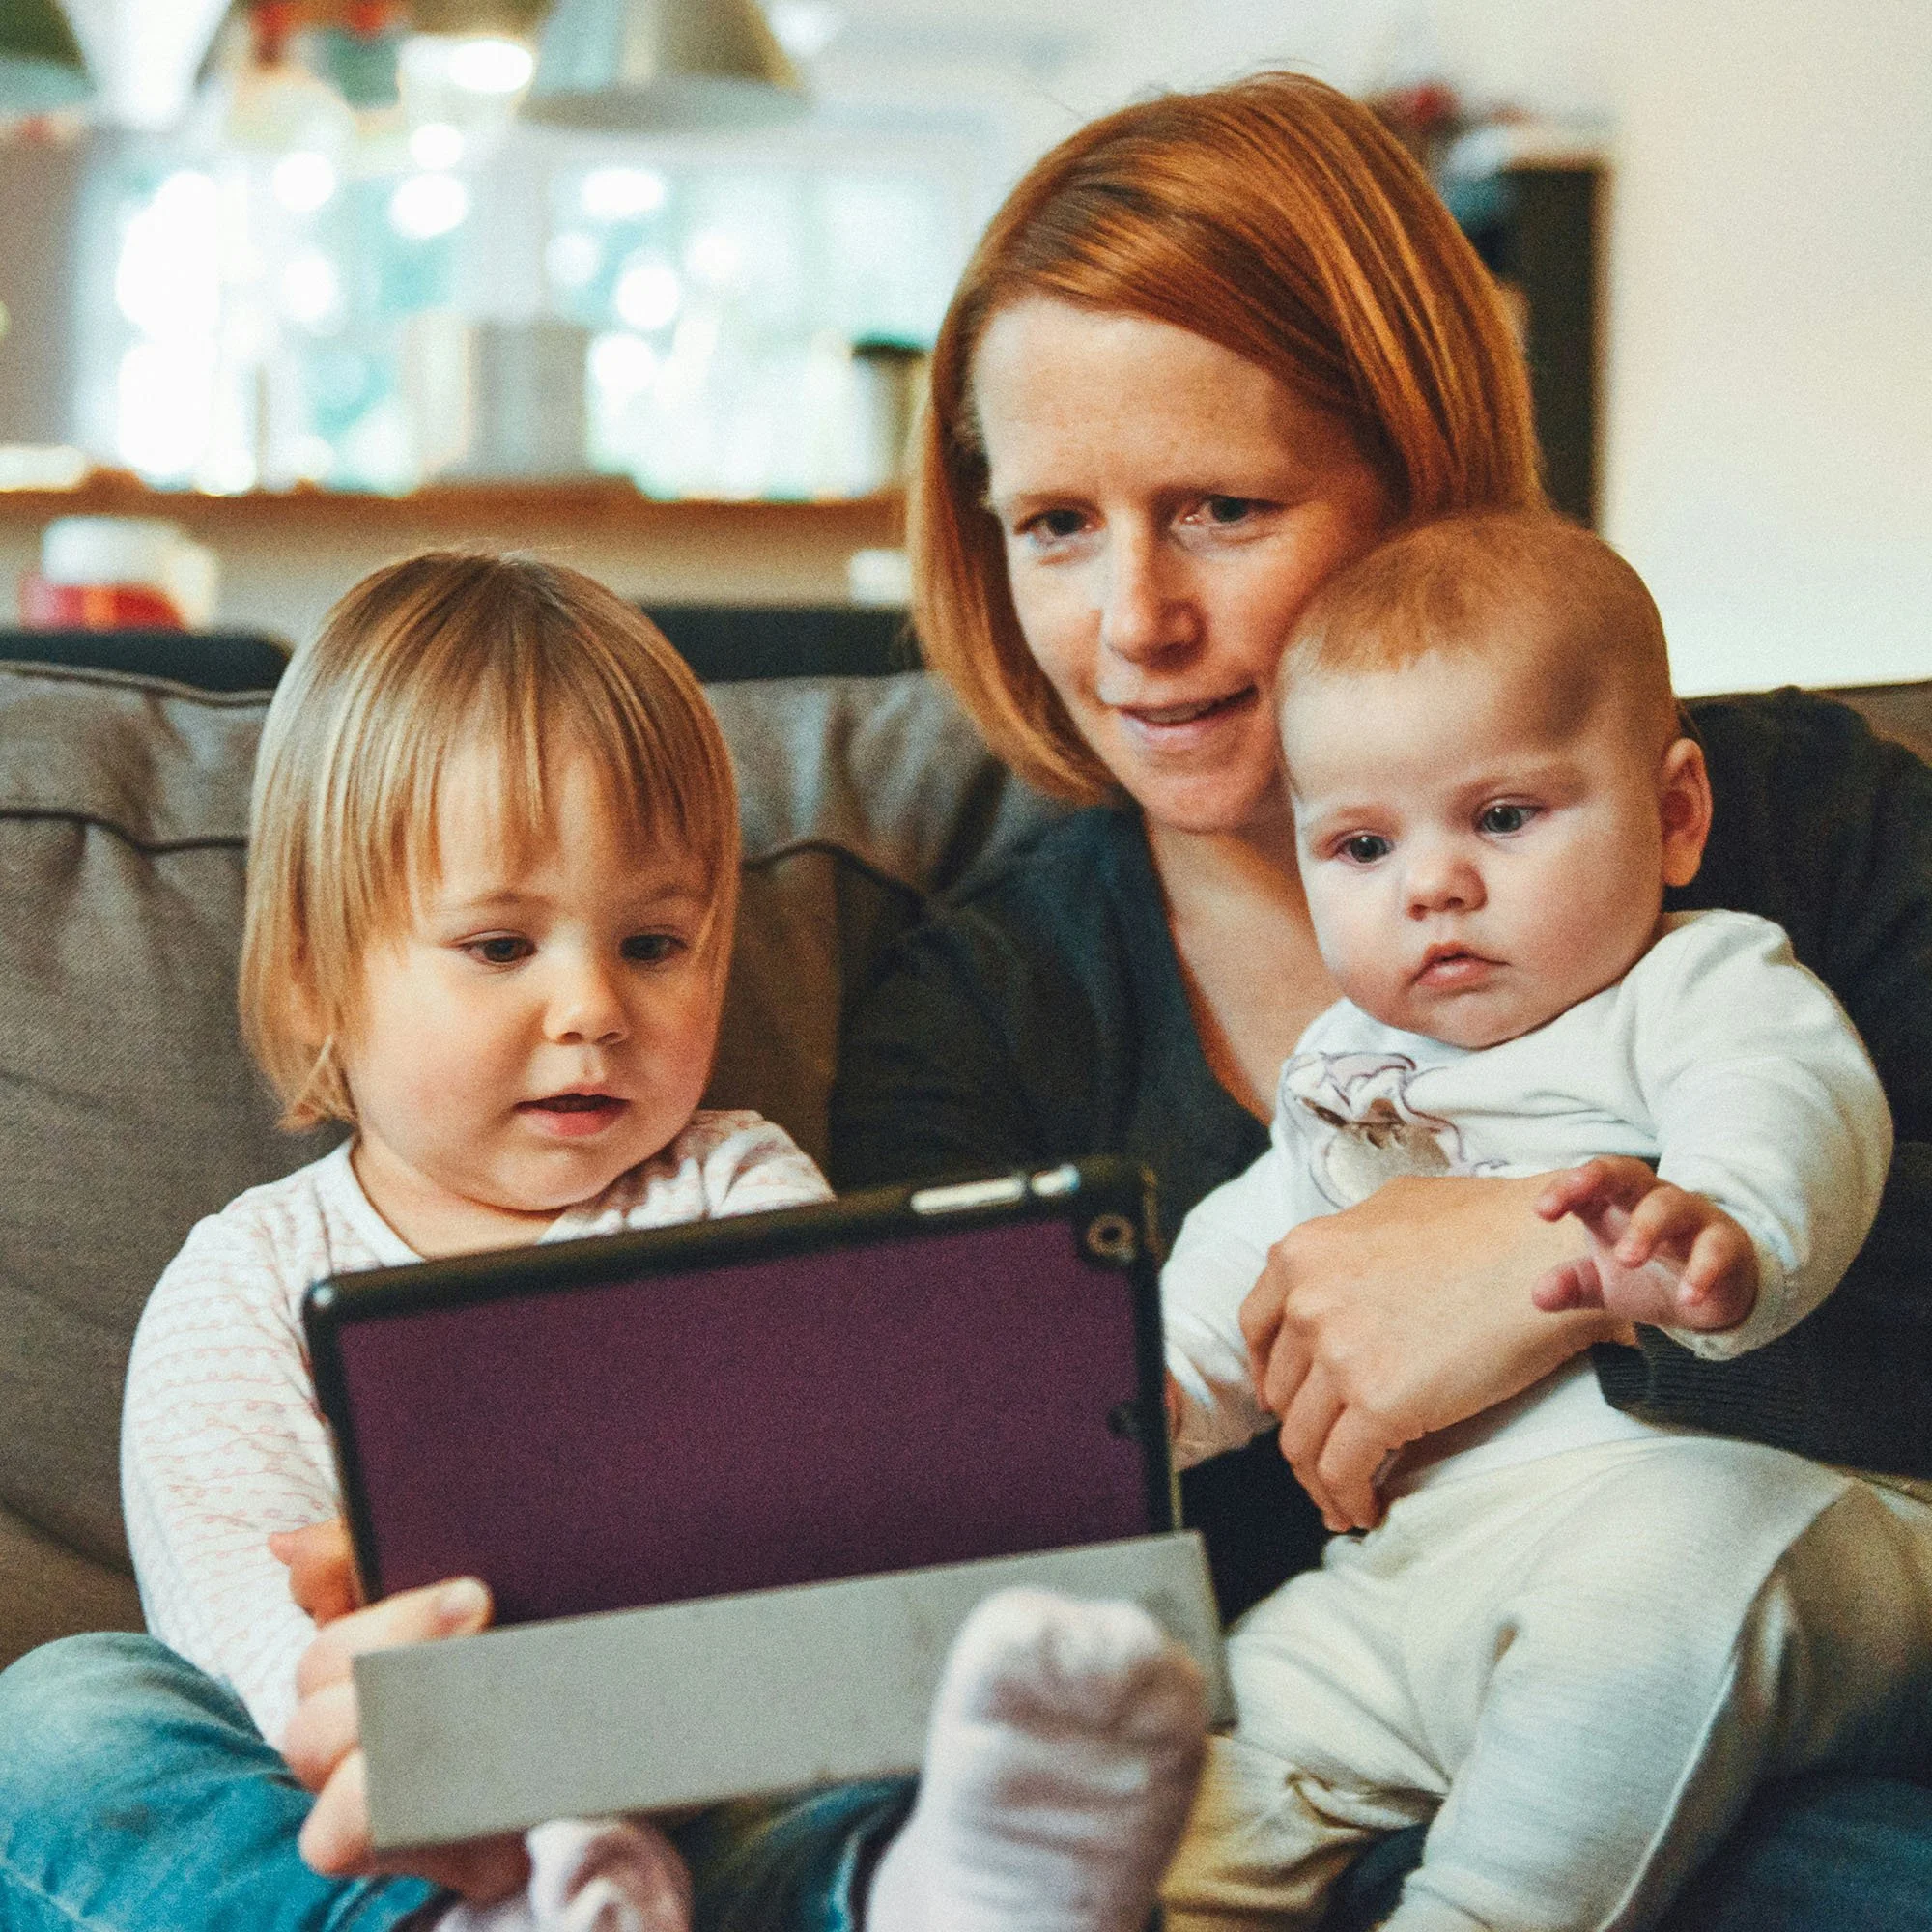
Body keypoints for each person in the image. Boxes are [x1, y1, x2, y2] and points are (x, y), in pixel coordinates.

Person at [824, 66, 1932, 1930]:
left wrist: (1536, 1281)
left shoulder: (1801, 833)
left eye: (1222, 508)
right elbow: (1006, 1554)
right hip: (1322, 1742)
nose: (1133, 623)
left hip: (1765, 1737)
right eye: (1056, 527)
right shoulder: (981, 1014)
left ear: (1417, 479)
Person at [0, 550, 1208, 1932]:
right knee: (63, 1712)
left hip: (712, 1782)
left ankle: (940, 1895)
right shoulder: (246, 1281)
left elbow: (848, 1493)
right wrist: (441, 1744)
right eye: (502, 948)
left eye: (652, 944)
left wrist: (1029, 1429)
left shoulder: (740, 1189)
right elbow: (249, 1655)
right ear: (312, 975)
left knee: (861, 1763)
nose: (592, 1008)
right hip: (393, 1815)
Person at [1155, 508, 1932, 1929]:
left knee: (1648, 1605)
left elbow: (1794, 1100)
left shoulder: (1696, 985)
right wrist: (1148, 1391)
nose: (1434, 885)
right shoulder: (1347, 1066)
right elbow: (1261, 1244)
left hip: (1752, 1521)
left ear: (1675, 815)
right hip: (1425, 1568)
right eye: (1362, 845)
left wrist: (1725, 1226)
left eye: (1503, 818)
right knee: (1216, 1745)